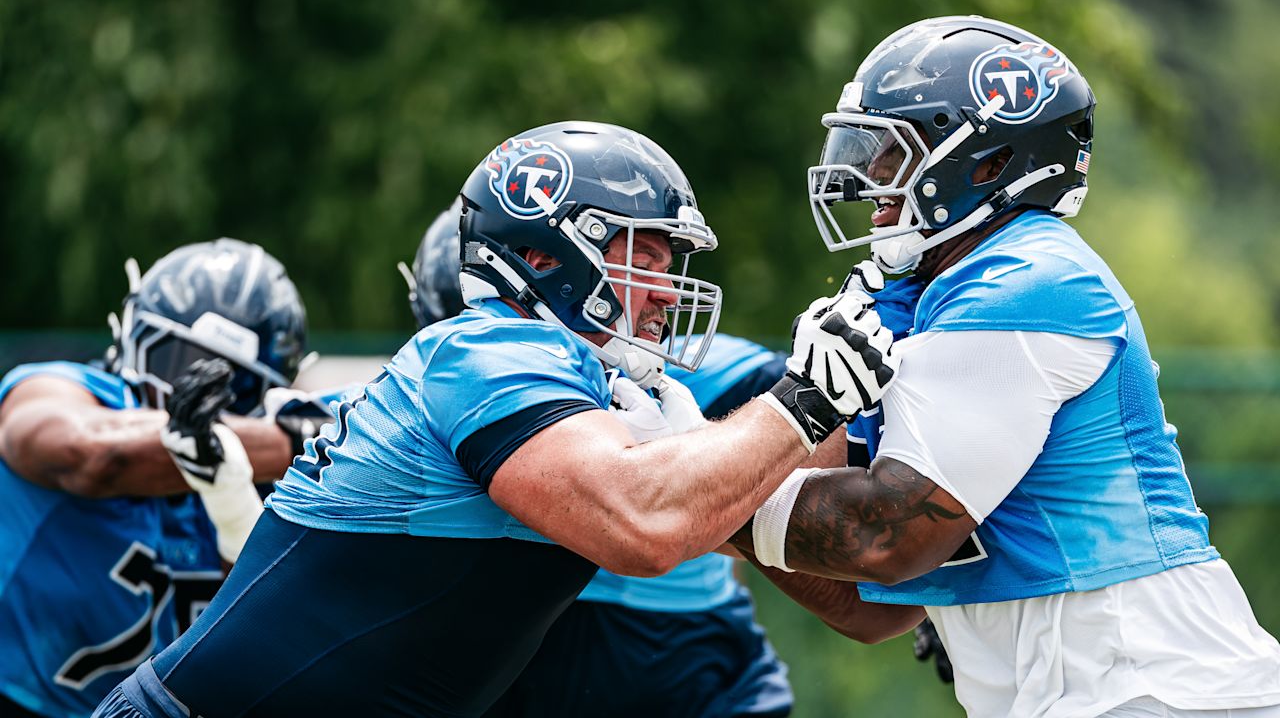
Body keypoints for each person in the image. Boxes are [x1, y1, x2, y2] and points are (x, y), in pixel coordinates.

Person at [95, 120, 898, 718]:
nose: (664, 290)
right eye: (644, 257)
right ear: (547, 254)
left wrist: (963, 579)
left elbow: (861, 608)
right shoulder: (490, 348)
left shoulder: (606, 398)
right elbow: (646, 526)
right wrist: (802, 404)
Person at [727, 15, 1280, 717]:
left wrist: (687, 488)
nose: (868, 179)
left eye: (893, 153)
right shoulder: (920, 294)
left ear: (988, 164)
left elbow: (880, 538)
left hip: (1152, 688)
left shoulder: (1024, 281)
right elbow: (861, 605)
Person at [403, 202, 793, 718]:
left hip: (685, 652)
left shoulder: (668, 374)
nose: (494, 346)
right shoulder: (445, 384)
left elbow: (847, 423)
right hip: (536, 642)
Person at [0, 239, 314, 717]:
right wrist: (290, 442)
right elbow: (92, 454)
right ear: (134, 340)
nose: (191, 395)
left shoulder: (268, 481)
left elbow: (264, 639)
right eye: (179, 363)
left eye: (234, 386)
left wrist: (236, 508)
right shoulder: (63, 392)